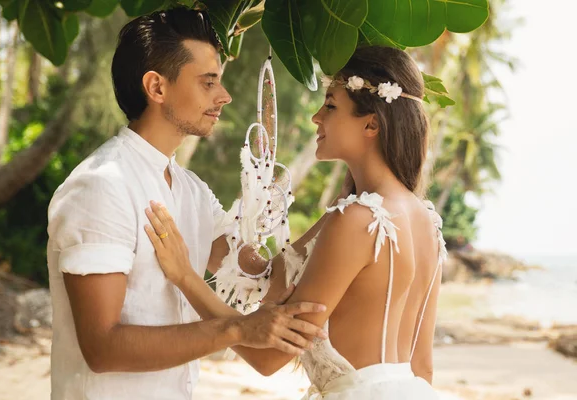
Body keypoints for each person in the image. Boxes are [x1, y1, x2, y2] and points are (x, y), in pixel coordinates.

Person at [46, 7, 327, 400]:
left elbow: (260, 277)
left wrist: (347, 212)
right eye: (208, 82)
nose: (224, 97)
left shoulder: (191, 190)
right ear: (157, 88)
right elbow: (102, 347)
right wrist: (237, 329)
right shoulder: (101, 186)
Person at [145, 45, 447, 399]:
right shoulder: (425, 219)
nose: (316, 117)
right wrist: (206, 228)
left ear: (372, 123)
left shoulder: (356, 220)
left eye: (331, 105)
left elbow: (270, 356)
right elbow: (422, 367)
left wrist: (184, 277)